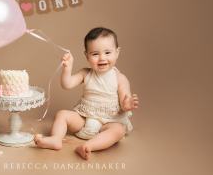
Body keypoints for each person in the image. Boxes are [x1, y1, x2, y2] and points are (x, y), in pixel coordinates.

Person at [34, 27, 139, 160]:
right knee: (62, 114)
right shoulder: (85, 73)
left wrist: (127, 104)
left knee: (118, 130)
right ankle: (55, 139)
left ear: (117, 52)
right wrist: (68, 68)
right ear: (87, 55)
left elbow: (125, 100)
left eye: (107, 52)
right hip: (85, 120)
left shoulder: (120, 78)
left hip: (109, 122)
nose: (102, 58)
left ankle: (89, 146)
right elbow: (67, 84)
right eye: (95, 54)